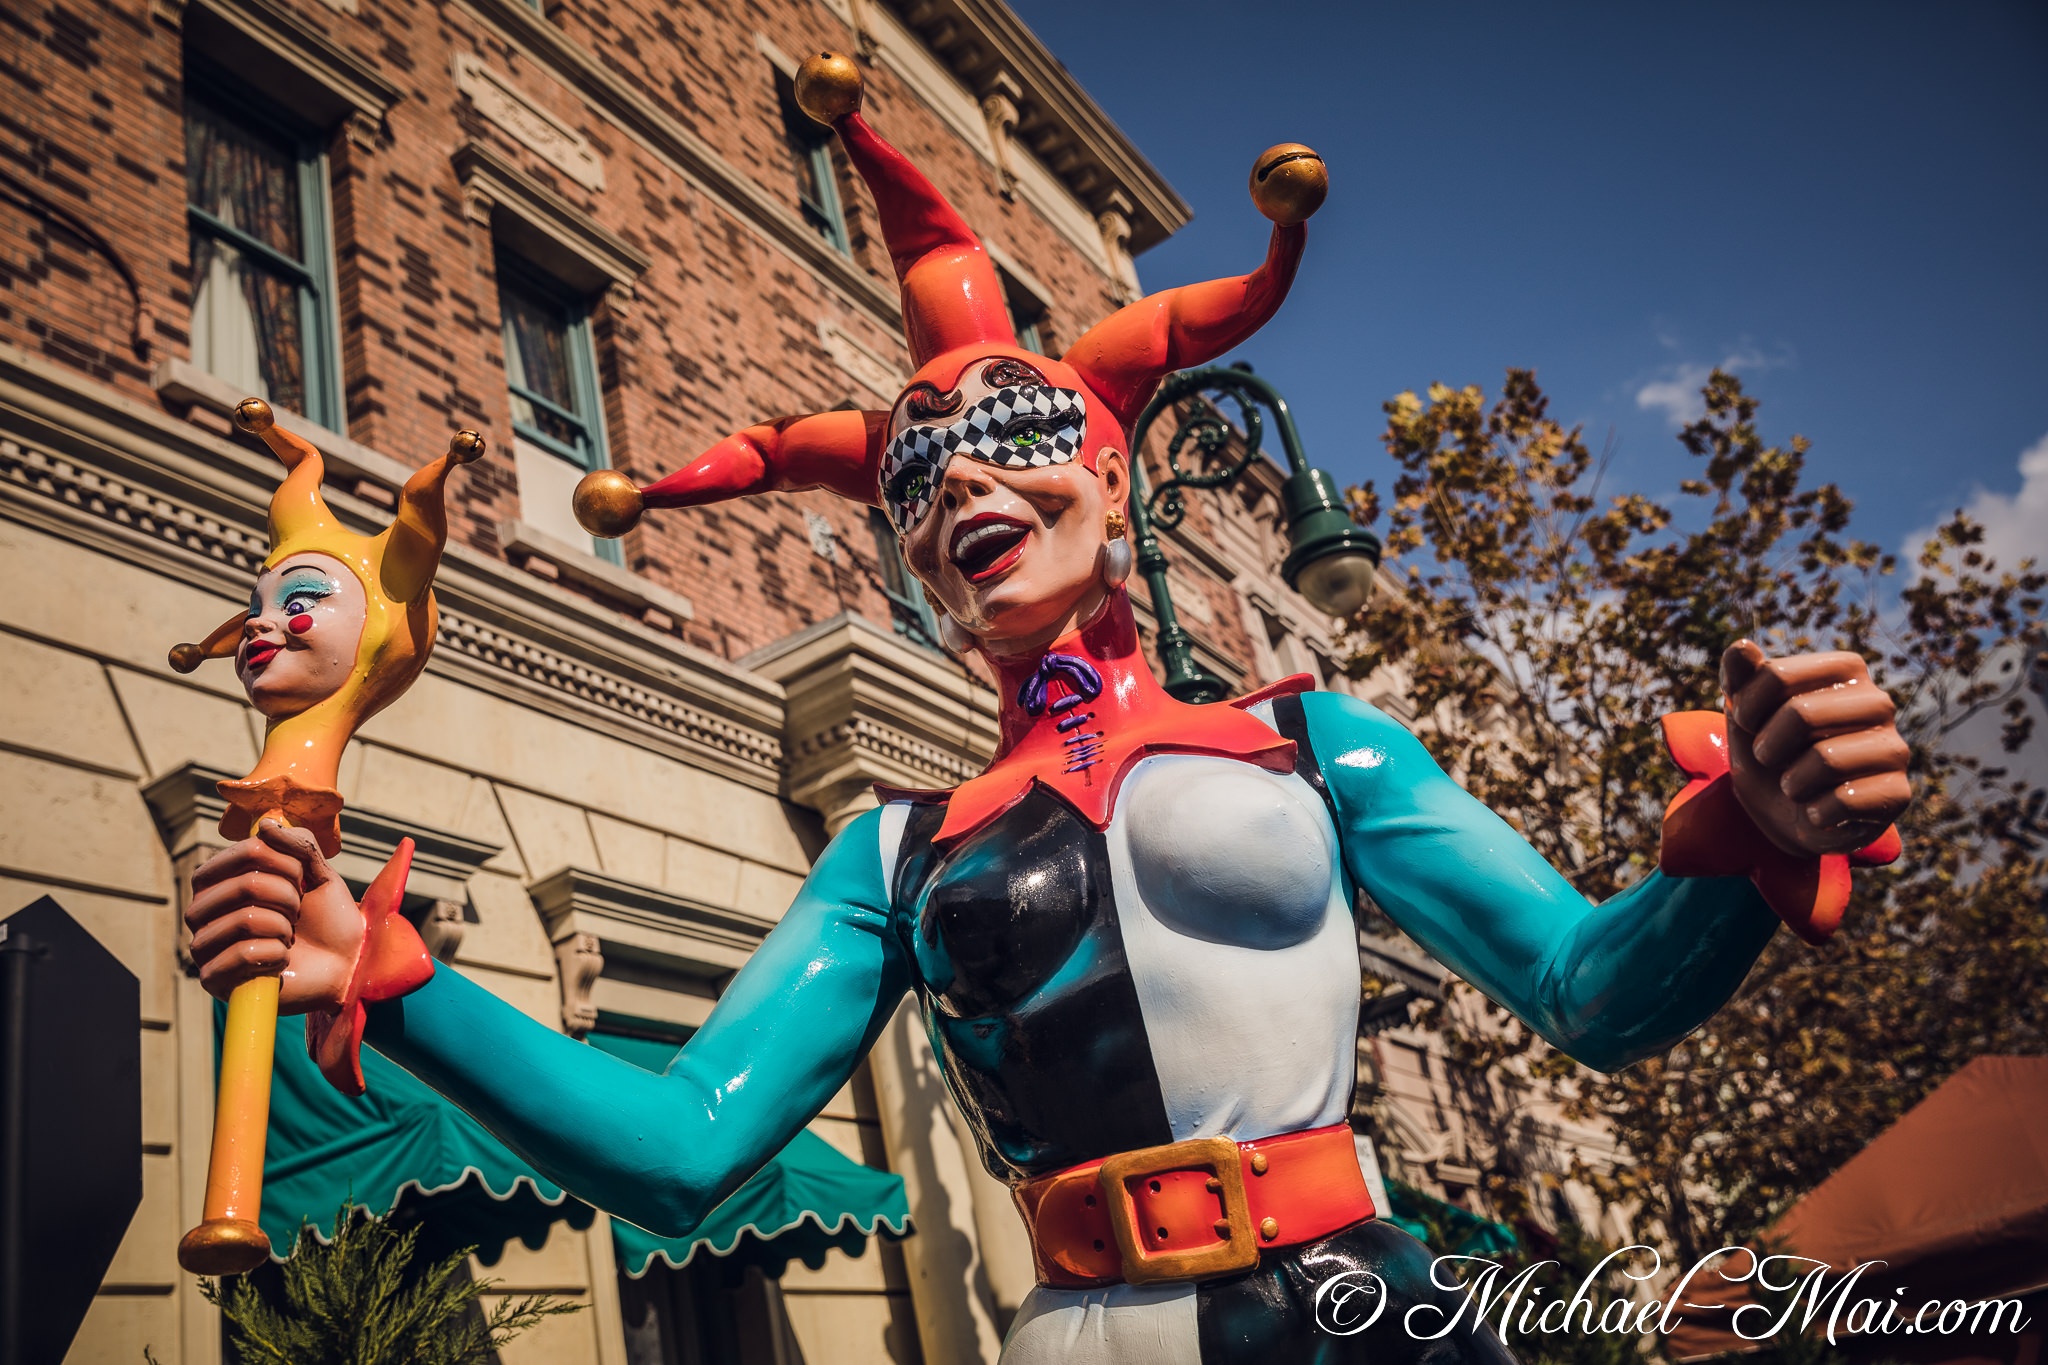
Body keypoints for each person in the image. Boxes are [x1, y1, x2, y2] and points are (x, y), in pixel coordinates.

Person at [183, 53, 1912, 1364]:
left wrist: (1745, 836)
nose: (954, 489)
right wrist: (394, 982)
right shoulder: (892, 853)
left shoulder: (1320, 744)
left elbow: (1588, 992)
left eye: (1003, 441)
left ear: (1106, 467)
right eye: (914, 476)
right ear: (911, 555)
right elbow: (682, 1147)